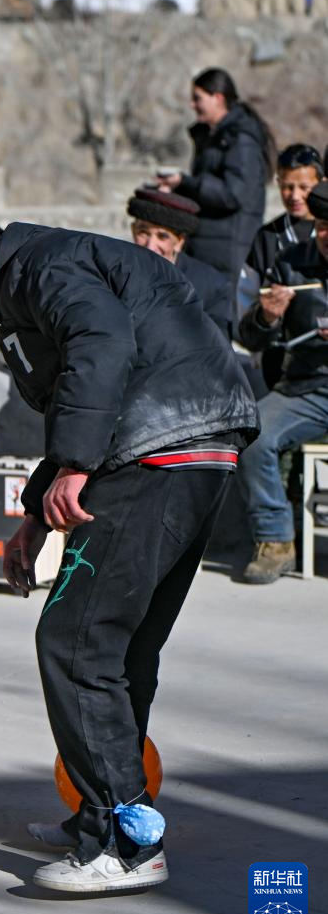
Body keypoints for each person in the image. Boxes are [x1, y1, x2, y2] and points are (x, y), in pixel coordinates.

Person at [0, 213, 258, 894]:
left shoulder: (40, 265)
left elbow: (100, 344)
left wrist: (71, 464)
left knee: (75, 641)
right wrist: (39, 512)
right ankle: (105, 820)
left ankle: (123, 843)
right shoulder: (60, 259)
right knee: (122, 649)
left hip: (156, 448)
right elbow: (83, 386)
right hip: (199, 445)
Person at [236, 182, 328, 585]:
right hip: (308, 388)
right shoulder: (291, 263)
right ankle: (275, 540)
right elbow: (250, 338)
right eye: (323, 225)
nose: (327, 236)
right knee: (255, 432)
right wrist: (266, 316)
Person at [157, 67, 275, 309]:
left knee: (222, 322)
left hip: (228, 250)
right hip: (208, 244)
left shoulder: (241, 138)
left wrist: (185, 183)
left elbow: (233, 194)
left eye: (198, 98)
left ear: (218, 98)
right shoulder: (215, 135)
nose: (192, 104)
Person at [245, 144, 323, 391]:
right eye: (287, 186)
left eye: (304, 187)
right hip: (277, 353)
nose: (295, 196)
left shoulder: (323, 236)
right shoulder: (267, 237)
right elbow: (246, 295)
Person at [126, 187, 231, 338]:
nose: (150, 246)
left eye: (162, 237)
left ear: (179, 242)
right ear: (133, 230)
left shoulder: (212, 287)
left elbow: (217, 352)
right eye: (143, 233)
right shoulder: (113, 274)